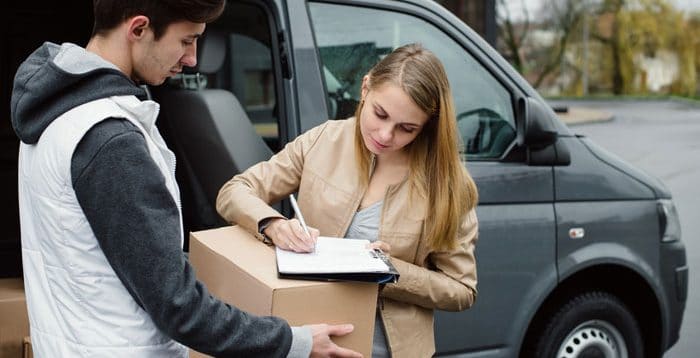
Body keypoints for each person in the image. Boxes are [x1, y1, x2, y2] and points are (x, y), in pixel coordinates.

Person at [10, 0, 362, 357]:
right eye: (186, 40)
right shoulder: (111, 141)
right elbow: (178, 308)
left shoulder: (59, 110)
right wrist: (294, 341)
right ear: (138, 29)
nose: (193, 59)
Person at [216, 43, 479, 358]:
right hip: (308, 339)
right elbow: (234, 191)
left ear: (427, 126)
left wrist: (391, 271)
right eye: (380, 114)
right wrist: (272, 224)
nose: (384, 135)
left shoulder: (449, 185)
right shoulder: (323, 140)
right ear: (365, 87)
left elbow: (461, 290)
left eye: (406, 129)